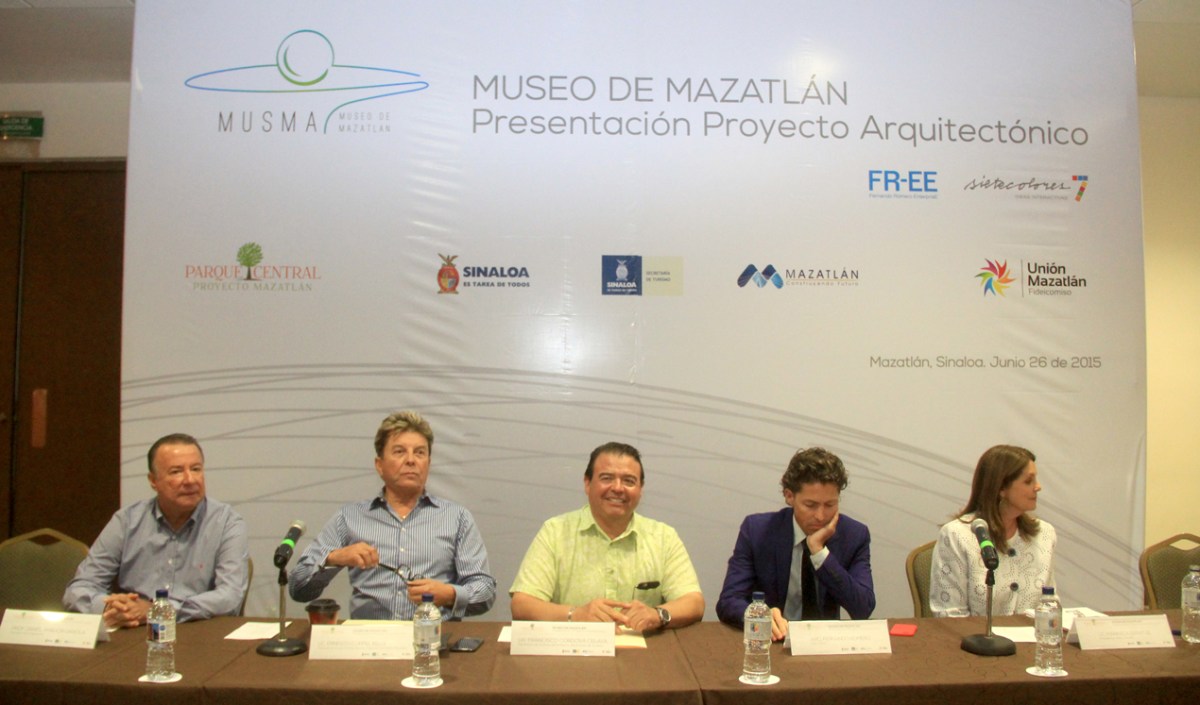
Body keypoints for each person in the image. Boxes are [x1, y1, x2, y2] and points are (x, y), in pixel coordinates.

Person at [289, 411, 496, 620]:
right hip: (368, 637)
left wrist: (449, 595)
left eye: (419, 453)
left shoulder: (456, 518)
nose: (411, 460)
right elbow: (298, 587)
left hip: (433, 636)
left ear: (428, 463)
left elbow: (485, 590)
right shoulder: (349, 517)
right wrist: (334, 558)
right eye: (399, 452)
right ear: (379, 465)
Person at [509, 442, 704, 632]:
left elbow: (694, 602)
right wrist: (576, 615)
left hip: (645, 649)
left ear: (641, 489)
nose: (618, 488)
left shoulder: (663, 537)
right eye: (607, 478)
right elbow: (522, 604)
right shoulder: (555, 532)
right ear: (587, 483)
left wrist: (657, 614)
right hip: (573, 648)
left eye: (629, 481)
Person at [63, 433, 249, 628]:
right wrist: (114, 608)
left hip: (195, 631)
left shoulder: (227, 522)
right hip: (133, 629)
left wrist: (158, 611)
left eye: (196, 469)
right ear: (153, 480)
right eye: (176, 471)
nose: (190, 480)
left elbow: (230, 597)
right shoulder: (127, 521)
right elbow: (79, 589)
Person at [716, 447, 875, 640]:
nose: (820, 516)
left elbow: (863, 608)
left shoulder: (854, 535)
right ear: (789, 496)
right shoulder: (757, 531)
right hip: (773, 640)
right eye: (810, 505)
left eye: (830, 505)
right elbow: (729, 601)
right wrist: (758, 616)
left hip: (825, 644)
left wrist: (819, 554)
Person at [929, 444, 1056, 617]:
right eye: (1028, 481)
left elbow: (1050, 606)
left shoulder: (1044, 534)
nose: (1038, 487)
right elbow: (950, 615)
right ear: (1001, 488)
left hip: (1033, 635)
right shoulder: (957, 536)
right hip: (976, 635)